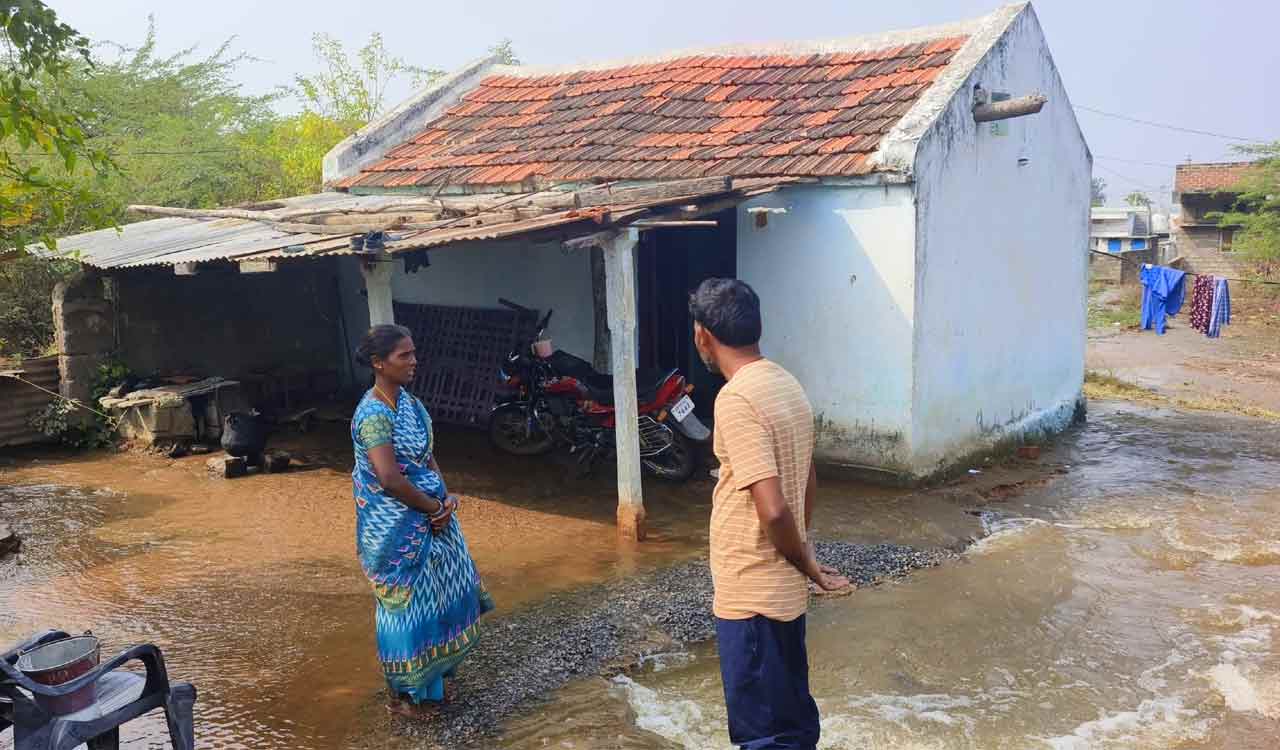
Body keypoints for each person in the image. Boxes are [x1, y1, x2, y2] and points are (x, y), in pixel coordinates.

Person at [689, 279, 851, 750]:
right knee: (794, 724)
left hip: (752, 593)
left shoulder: (736, 399)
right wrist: (804, 550)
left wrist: (807, 563)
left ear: (703, 335)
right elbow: (807, 477)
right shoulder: (784, 382)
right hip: (781, 591)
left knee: (764, 735)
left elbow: (774, 508)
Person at [349, 324, 494, 717]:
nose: (414, 361)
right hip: (394, 529)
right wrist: (433, 509)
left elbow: (427, 459)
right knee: (406, 610)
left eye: (413, 353)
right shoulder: (374, 415)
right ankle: (407, 697)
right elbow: (389, 478)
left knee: (447, 593)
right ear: (379, 363)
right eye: (404, 356)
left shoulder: (411, 406)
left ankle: (438, 678)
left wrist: (444, 501)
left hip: (431, 515)